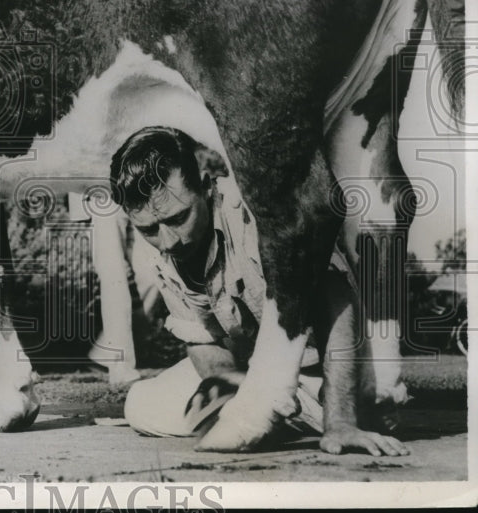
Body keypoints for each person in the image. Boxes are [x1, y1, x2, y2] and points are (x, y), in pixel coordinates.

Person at [110, 126, 407, 456]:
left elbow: (336, 302)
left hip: (330, 370)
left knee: (375, 401)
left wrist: (341, 420)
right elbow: (203, 344)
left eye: (179, 218)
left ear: (207, 187)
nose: (168, 242)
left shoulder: (256, 213)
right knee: (139, 404)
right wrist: (237, 391)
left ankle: (319, 414)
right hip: (262, 373)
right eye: (149, 229)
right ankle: (281, 414)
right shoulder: (163, 252)